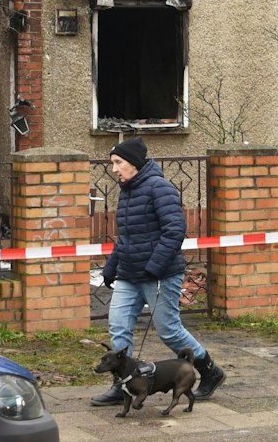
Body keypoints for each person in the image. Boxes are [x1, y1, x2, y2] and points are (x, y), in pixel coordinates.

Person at [92, 137, 227, 406]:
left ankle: (210, 371)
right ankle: (124, 386)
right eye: (113, 164)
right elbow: (127, 238)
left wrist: (154, 266)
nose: (115, 169)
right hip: (130, 275)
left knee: (169, 330)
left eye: (119, 163)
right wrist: (111, 267)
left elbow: (175, 231)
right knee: (118, 326)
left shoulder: (160, 188)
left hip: (161, 274)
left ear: (135, 163)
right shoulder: (127, 191)